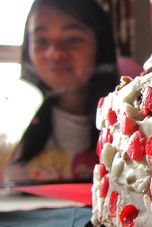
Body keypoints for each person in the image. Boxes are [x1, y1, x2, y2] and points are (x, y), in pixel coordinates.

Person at [5, 0, 119, 182]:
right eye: (41, 40)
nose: (55, 53)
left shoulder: (124, 122)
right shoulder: (10, 120)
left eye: (73, 39)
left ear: (100, 46)